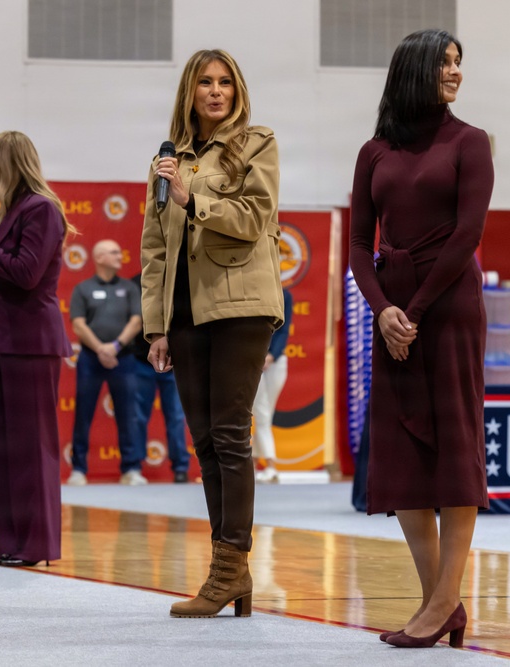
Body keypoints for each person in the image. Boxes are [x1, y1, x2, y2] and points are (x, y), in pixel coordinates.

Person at [349, 29, 494, 648]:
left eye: (459, 63)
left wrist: (415, 308)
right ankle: (442, 602)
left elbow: (467, 235)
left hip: (450, 305)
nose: (455, 73)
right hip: (394, 313)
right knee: (403, 455)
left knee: (455, 449)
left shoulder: (471, 142)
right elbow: (359, 244)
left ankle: (440, 606)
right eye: (445, 63)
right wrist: (384, 311)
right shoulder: (373, 151)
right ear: (414, 70)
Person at [142, 48, 283, 618]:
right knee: (203, 442)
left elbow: (254, 217)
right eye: (206, 82)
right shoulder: (167, 158)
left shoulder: (257, 143)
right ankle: (233, 573)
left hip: (241, 306)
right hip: (184, 315)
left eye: (226, 82)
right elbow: (154, 249)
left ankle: (228, 568)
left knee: (230, 437)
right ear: (190, 91)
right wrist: (156, 327)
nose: (217, 91)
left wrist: (191, 198)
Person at [0, 130, 74, 567]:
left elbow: (27, 273)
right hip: (5, 341)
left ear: (8, 165)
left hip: (30, 342)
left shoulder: (41, 209)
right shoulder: (16, 210)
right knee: (6, 448)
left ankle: (35, 545)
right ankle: (11, 542)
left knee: (33, 447)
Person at [67, 240, 145, 486]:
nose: (119, 255)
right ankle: (78, 469)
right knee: (83, 414)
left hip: (123, 358)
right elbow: (78, 324)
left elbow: (136, 320)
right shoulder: (83, 288)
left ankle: (131, 469)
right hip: (91, 359)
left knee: (128, 414)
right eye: (113, 252)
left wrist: (115, 346)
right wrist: (100, 348)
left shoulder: (129, 288)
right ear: (99, 257)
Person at [128, 272, 190, 484]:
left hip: (176, 362)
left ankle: (180, 468)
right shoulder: (135, 283)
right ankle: (133, 467)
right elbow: (132, 319)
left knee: (176, 417)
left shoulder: (180, 278)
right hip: (140, 359)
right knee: (137, 417)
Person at [252, 286, 292, 483]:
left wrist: (272, 355)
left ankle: (252, 462)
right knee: (261, 413)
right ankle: (271, 464)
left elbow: (284, 330)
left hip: (276, 361)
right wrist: (258, 355)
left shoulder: (284, 295)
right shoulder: (251, 292)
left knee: (266, 413)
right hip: (251, 359)